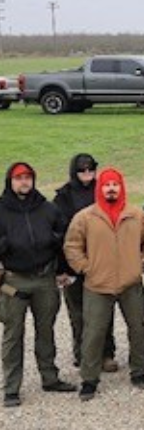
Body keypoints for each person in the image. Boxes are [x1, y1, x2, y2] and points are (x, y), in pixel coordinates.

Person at [63, 168, 144, 401]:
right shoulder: (85, 217)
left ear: (121, 187)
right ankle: (89, 378)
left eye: (115, 185)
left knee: (137, 329)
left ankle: (139, 370)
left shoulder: (137, 215)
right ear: (100, 188)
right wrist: (85, 268)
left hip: (130, 282)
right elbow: (72, 246)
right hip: (97, 284)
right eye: (107, 185)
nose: (111, 189)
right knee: (93, 332)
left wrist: (143, 263)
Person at [0, 162, 75, 407]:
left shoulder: (48, 209)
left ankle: (50, 378)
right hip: (14, 280)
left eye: (28, 177)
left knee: (46, 330)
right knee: (13, 334)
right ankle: (11, 387)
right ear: (10, 181)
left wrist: (63, 270)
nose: (24, 182)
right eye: (19, 178)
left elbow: (63, 240)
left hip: (45, 278)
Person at [54, 153, 114, 371]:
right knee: (78, 313)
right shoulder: (63, 197)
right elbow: (59, 235)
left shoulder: (104, 190)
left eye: (91, 169)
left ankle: (106, 353)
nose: (87, 173)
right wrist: (61, 268)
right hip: (73, 263)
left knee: (104, 311)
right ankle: (83, 354)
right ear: (74, 172)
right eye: (82, 170)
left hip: (102, 261)